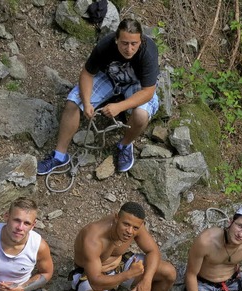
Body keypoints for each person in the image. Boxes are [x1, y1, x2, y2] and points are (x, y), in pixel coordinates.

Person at [37, 18, 159, 175]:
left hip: (137, 84)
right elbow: (87, 74)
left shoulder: (148, 51)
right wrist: (87, 103)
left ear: (140, 40)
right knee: (73, 103)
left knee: (141, 115)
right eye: (124, 43)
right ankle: (60, 155)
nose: (129, 49)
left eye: (134, 44)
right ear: (116, 40)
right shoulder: (106, 45)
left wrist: (119, 107)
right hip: (110, 77)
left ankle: (125, 145)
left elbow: (148, 91)